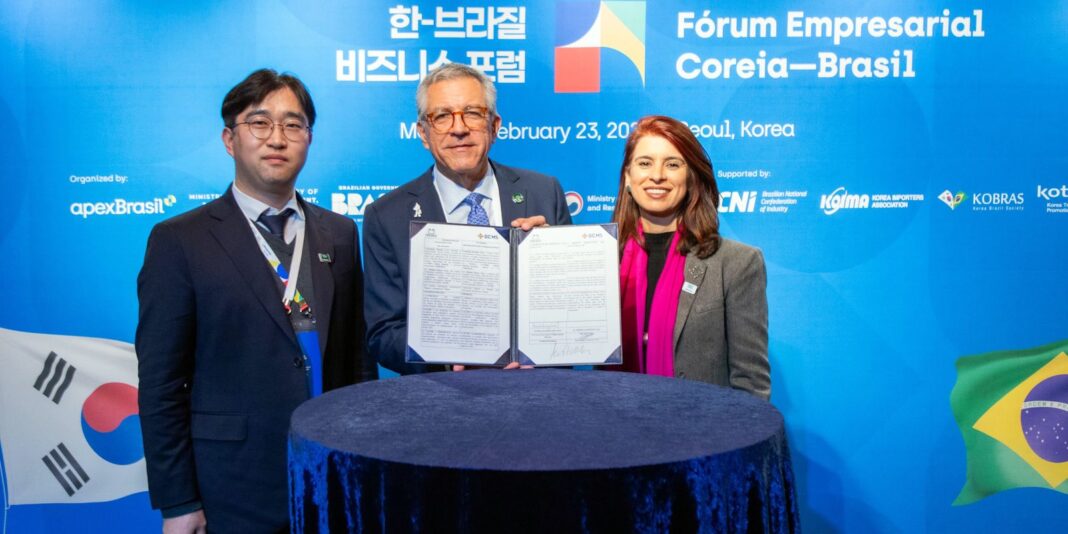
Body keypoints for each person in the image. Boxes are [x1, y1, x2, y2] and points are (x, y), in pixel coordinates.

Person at [136, 69, 376, 533]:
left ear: (309, 138)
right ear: (230, 140)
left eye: (293, 124)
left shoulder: (340, 233)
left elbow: (357, 363)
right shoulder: (180, 240)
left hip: (331, 475)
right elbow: (161, 385)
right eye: (260, 123)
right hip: (232, 484)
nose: (277, 138)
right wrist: (178, 501)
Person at [363, 63, 572, 375]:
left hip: (535, 390)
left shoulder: (544, 193)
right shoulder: (387, 216)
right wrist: (446, 355)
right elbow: (384, 333)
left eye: (472, 113)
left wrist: (551, 263)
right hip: (444, 395)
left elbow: (571, 310)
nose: (458, 128)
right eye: (442, 116)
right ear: (423, 133)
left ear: (494, 126)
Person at [611, 115, 770, 399]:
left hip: (702, 426)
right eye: (645, 163)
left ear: (690, 177)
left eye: (672, 164)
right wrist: (540, 253)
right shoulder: (599, 261)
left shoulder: (736, 263)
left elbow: (751, 386)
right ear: (627, 177)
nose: (657, 175)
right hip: (611, 421)